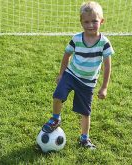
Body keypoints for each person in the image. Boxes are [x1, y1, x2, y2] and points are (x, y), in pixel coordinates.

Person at [42, 1, 114, 149]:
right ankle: (55, 119)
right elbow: (67, 54)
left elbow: (107, 66)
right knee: (57, 95)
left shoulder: (104, 43)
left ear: (102, 21)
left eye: (94, 21)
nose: (90, 25)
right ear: (81, 22)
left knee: (85, 112)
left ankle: (84, 139)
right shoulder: (76, 39)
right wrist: (61, 74)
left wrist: (104, 87)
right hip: (71, 75)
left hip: (87, 82)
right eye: (86, 22)